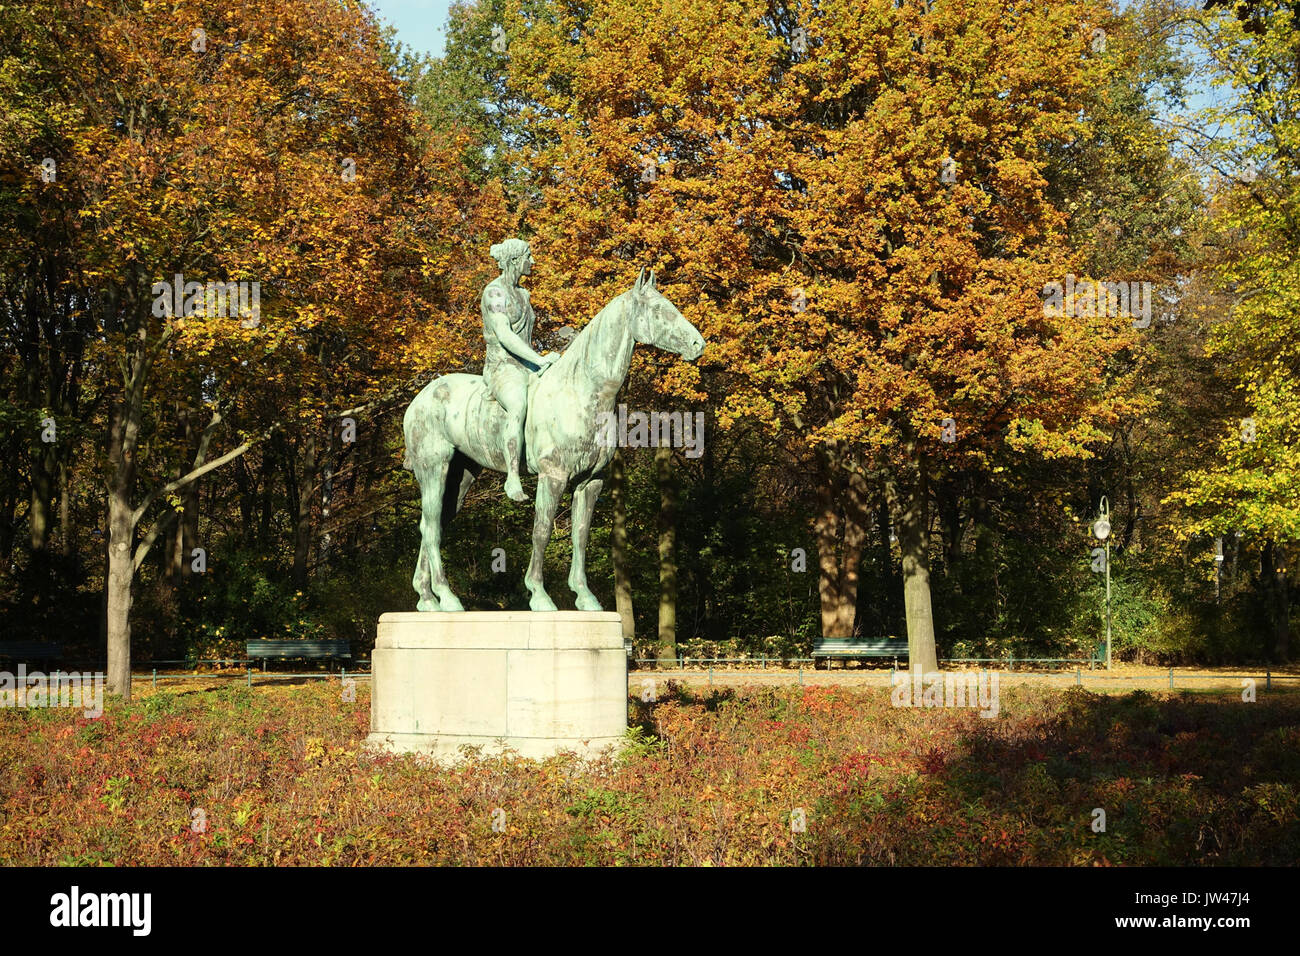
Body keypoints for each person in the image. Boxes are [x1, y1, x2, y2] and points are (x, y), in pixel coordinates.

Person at [481, 239, 556, 502]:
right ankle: (512, 476)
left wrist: (543, 361)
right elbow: (503, 334)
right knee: (518, 405)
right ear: (514, 260)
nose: (532, 261)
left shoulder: (523, 295)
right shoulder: (495, 293)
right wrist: (539, 358)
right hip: (502, 366)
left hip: (527, 366)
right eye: (528, 256)